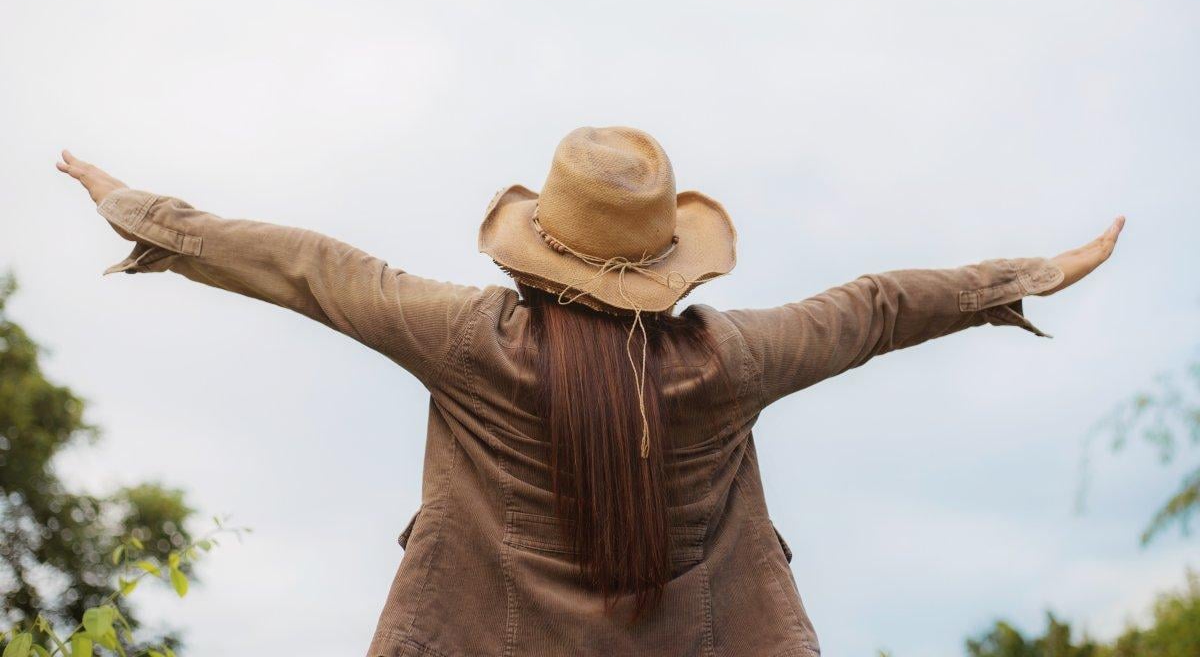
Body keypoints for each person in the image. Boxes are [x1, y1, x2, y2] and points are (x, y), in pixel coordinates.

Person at [57, 127, 1123, 657]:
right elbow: (880, 304)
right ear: (668, 259)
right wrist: (1024, 275)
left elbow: (308, 266)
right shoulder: (731, 359)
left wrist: (143, 210)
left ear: (539, 248)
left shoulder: (473, 340)